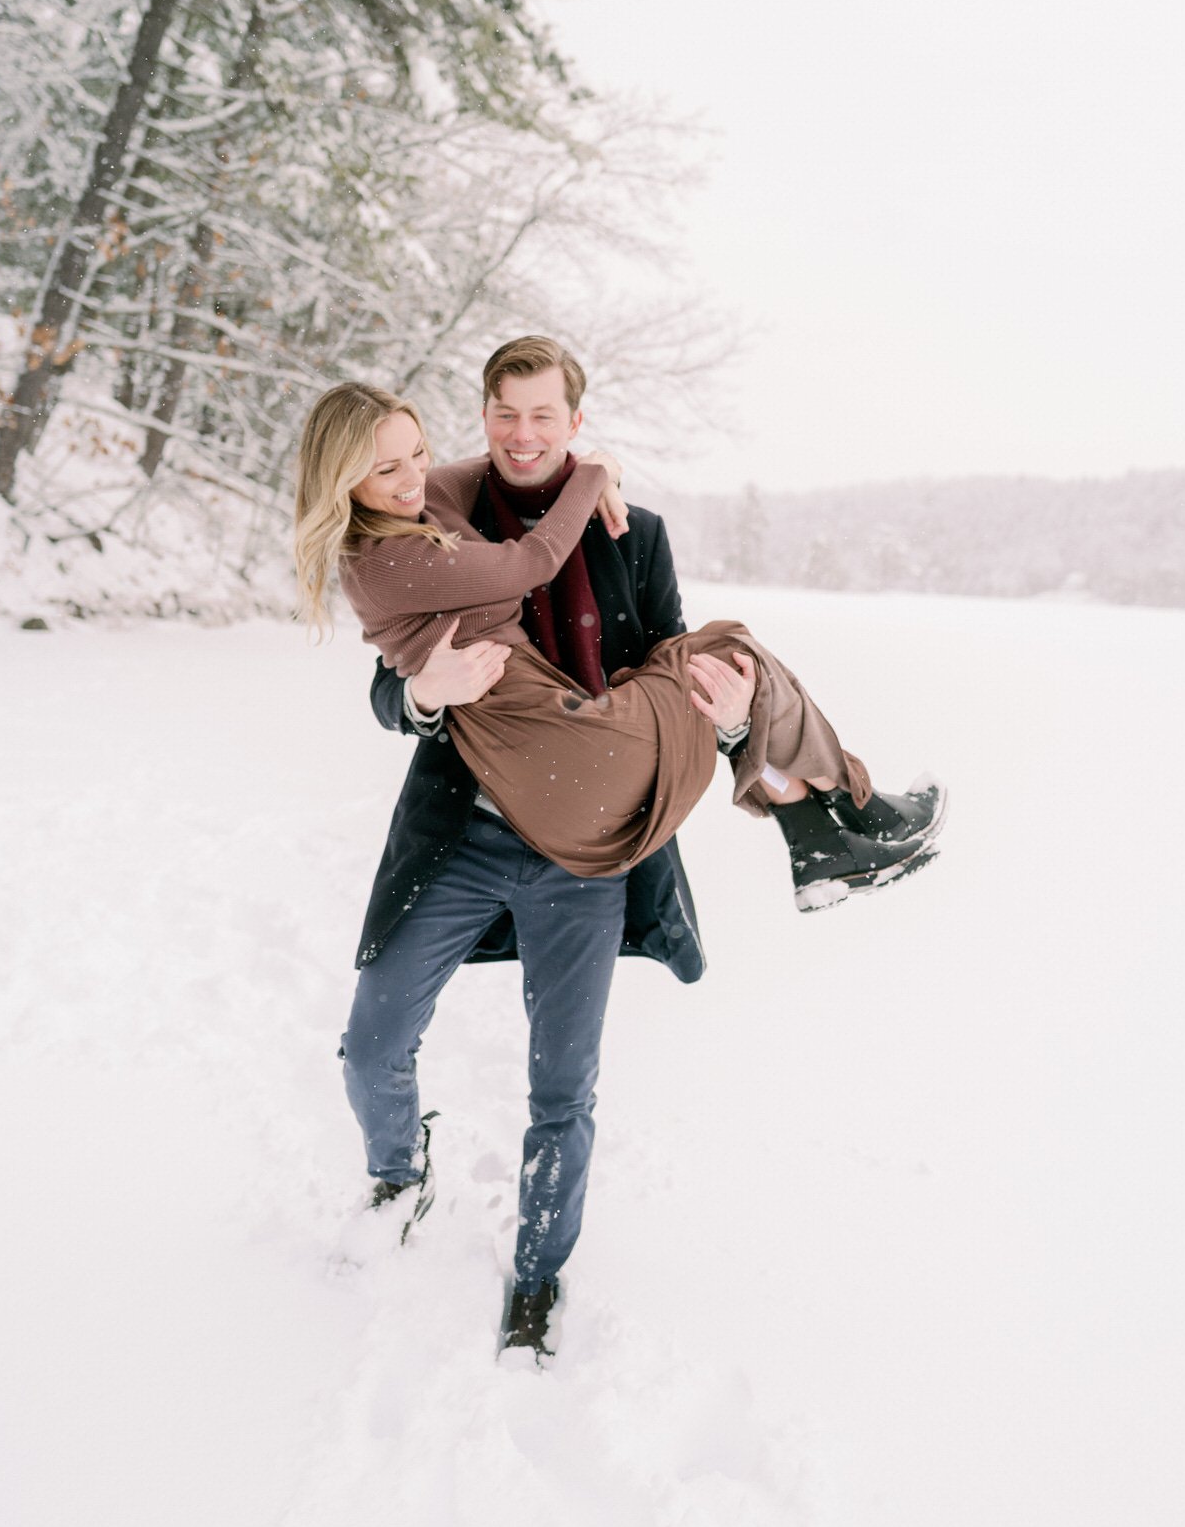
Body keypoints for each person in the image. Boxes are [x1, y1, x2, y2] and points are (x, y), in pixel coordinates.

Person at [296, 337, 943, 1355]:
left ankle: (538, 1273)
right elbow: (393, 681)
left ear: (575, 420)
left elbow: (663, 655)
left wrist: (734, 720)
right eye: (505, 414)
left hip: (586, 844)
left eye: (544, 416)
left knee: (564, 1084)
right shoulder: (438, 511)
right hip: (464, 834)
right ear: (483, 417)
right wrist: (421, 693)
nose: (522, 435)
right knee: (374, 1043)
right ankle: (397, 1176)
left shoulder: (635, 535)